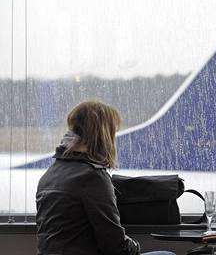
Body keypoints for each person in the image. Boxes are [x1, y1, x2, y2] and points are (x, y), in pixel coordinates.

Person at [36, 100, 175, 255]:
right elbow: (116, 247)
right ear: (103, 136)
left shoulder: (50, 174)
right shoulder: (92, 177)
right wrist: (135, 246)